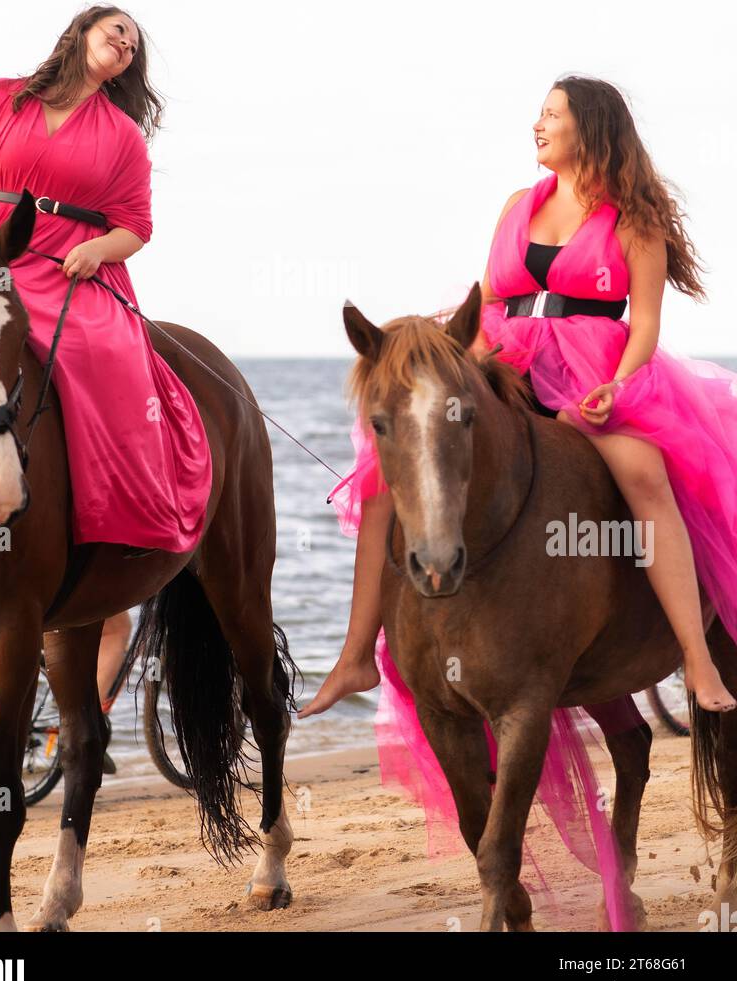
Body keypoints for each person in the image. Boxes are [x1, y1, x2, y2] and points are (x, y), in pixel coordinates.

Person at [301, 75, 737, 717]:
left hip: (595, 370)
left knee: (644, 475)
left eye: (551, 115)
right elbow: (489, 299)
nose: (538, 125)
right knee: (381, 478)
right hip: (504, 360)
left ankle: (697, 664)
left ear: (587, 128)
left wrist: (618, 385)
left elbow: (645, 323)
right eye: (540, 114)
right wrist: (458, 363)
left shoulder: (635, 221)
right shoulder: (517, 204)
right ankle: (356, 656)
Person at [0, 4, 213, 558]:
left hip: (71, 267)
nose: (127, 46)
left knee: (101, 352)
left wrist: (96, 249)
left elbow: (135, 227)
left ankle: (109, 520)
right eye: (119, 31)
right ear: (84, 30)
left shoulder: (124, 136)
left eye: (134, 49)